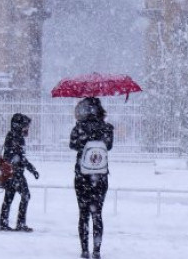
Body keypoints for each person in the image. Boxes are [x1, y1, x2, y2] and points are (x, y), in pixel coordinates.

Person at [70, 97, 114, 259]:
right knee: (97, 214)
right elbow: (108, 146)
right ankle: (96, 251)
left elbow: (72, 145)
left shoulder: (79, 127)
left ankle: (84, 250)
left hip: (82, 175)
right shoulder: (107, 128)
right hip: (100, 175)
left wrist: (82, 135)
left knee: (83, 214)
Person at [0, 113, 39, 232]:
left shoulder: (13, 136)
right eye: (26, 126)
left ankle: (4, 223)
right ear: (19, 125)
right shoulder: (15, 137)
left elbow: (17, 156)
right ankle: (19, 223)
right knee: (25, 196)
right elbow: (18, 157)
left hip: (11, 173)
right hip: (15, 174)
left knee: (9, 198)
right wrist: (32, 169)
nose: (27, 129)